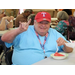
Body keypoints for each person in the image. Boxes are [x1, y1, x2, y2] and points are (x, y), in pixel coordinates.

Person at [1, 11, 73, 65]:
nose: (43, 25)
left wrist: (65, 44)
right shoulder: (23, 30)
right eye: (40, 22)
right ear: (34, 22)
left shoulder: (54, 32)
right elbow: (4, 38)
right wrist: (18, 31)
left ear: (49, 23)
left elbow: (70, 49)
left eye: (46, 23)